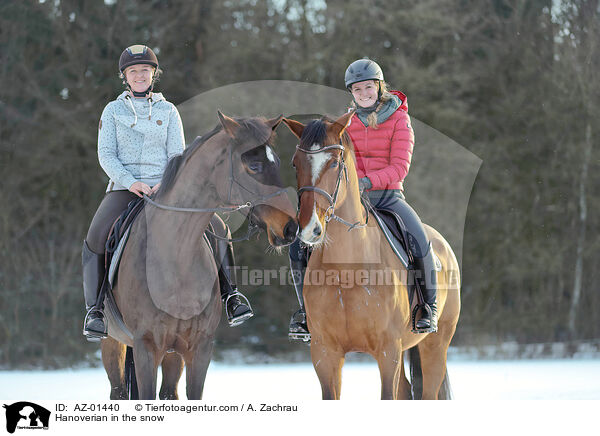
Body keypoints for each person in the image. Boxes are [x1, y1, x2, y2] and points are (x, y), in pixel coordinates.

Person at [82, 44, 253, 342]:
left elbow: (177, 154)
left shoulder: (168, 110)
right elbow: (106, 154)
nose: (139, 75)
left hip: (166, 188)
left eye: (145, 71)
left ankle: (231, 296)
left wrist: (166, 181)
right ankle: (95, 310)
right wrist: (130, 181)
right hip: (125, 188)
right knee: (96, 234)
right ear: (125, 76)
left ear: (153, 74)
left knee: (217, 226)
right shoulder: (112, 111)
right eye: (133, 71)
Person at [288, 58, 438, 341]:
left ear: (379, 87)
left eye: (368, 87)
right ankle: (304, 312)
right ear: (351, 93)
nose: (363, 94)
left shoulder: (399, 119)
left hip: (388, 196)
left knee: (420, 241)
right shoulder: (344, 123)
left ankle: (427, 307)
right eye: (357, 90)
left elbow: (400, 166)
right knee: (298, 245)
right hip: (349, 200)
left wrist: (366, 182)